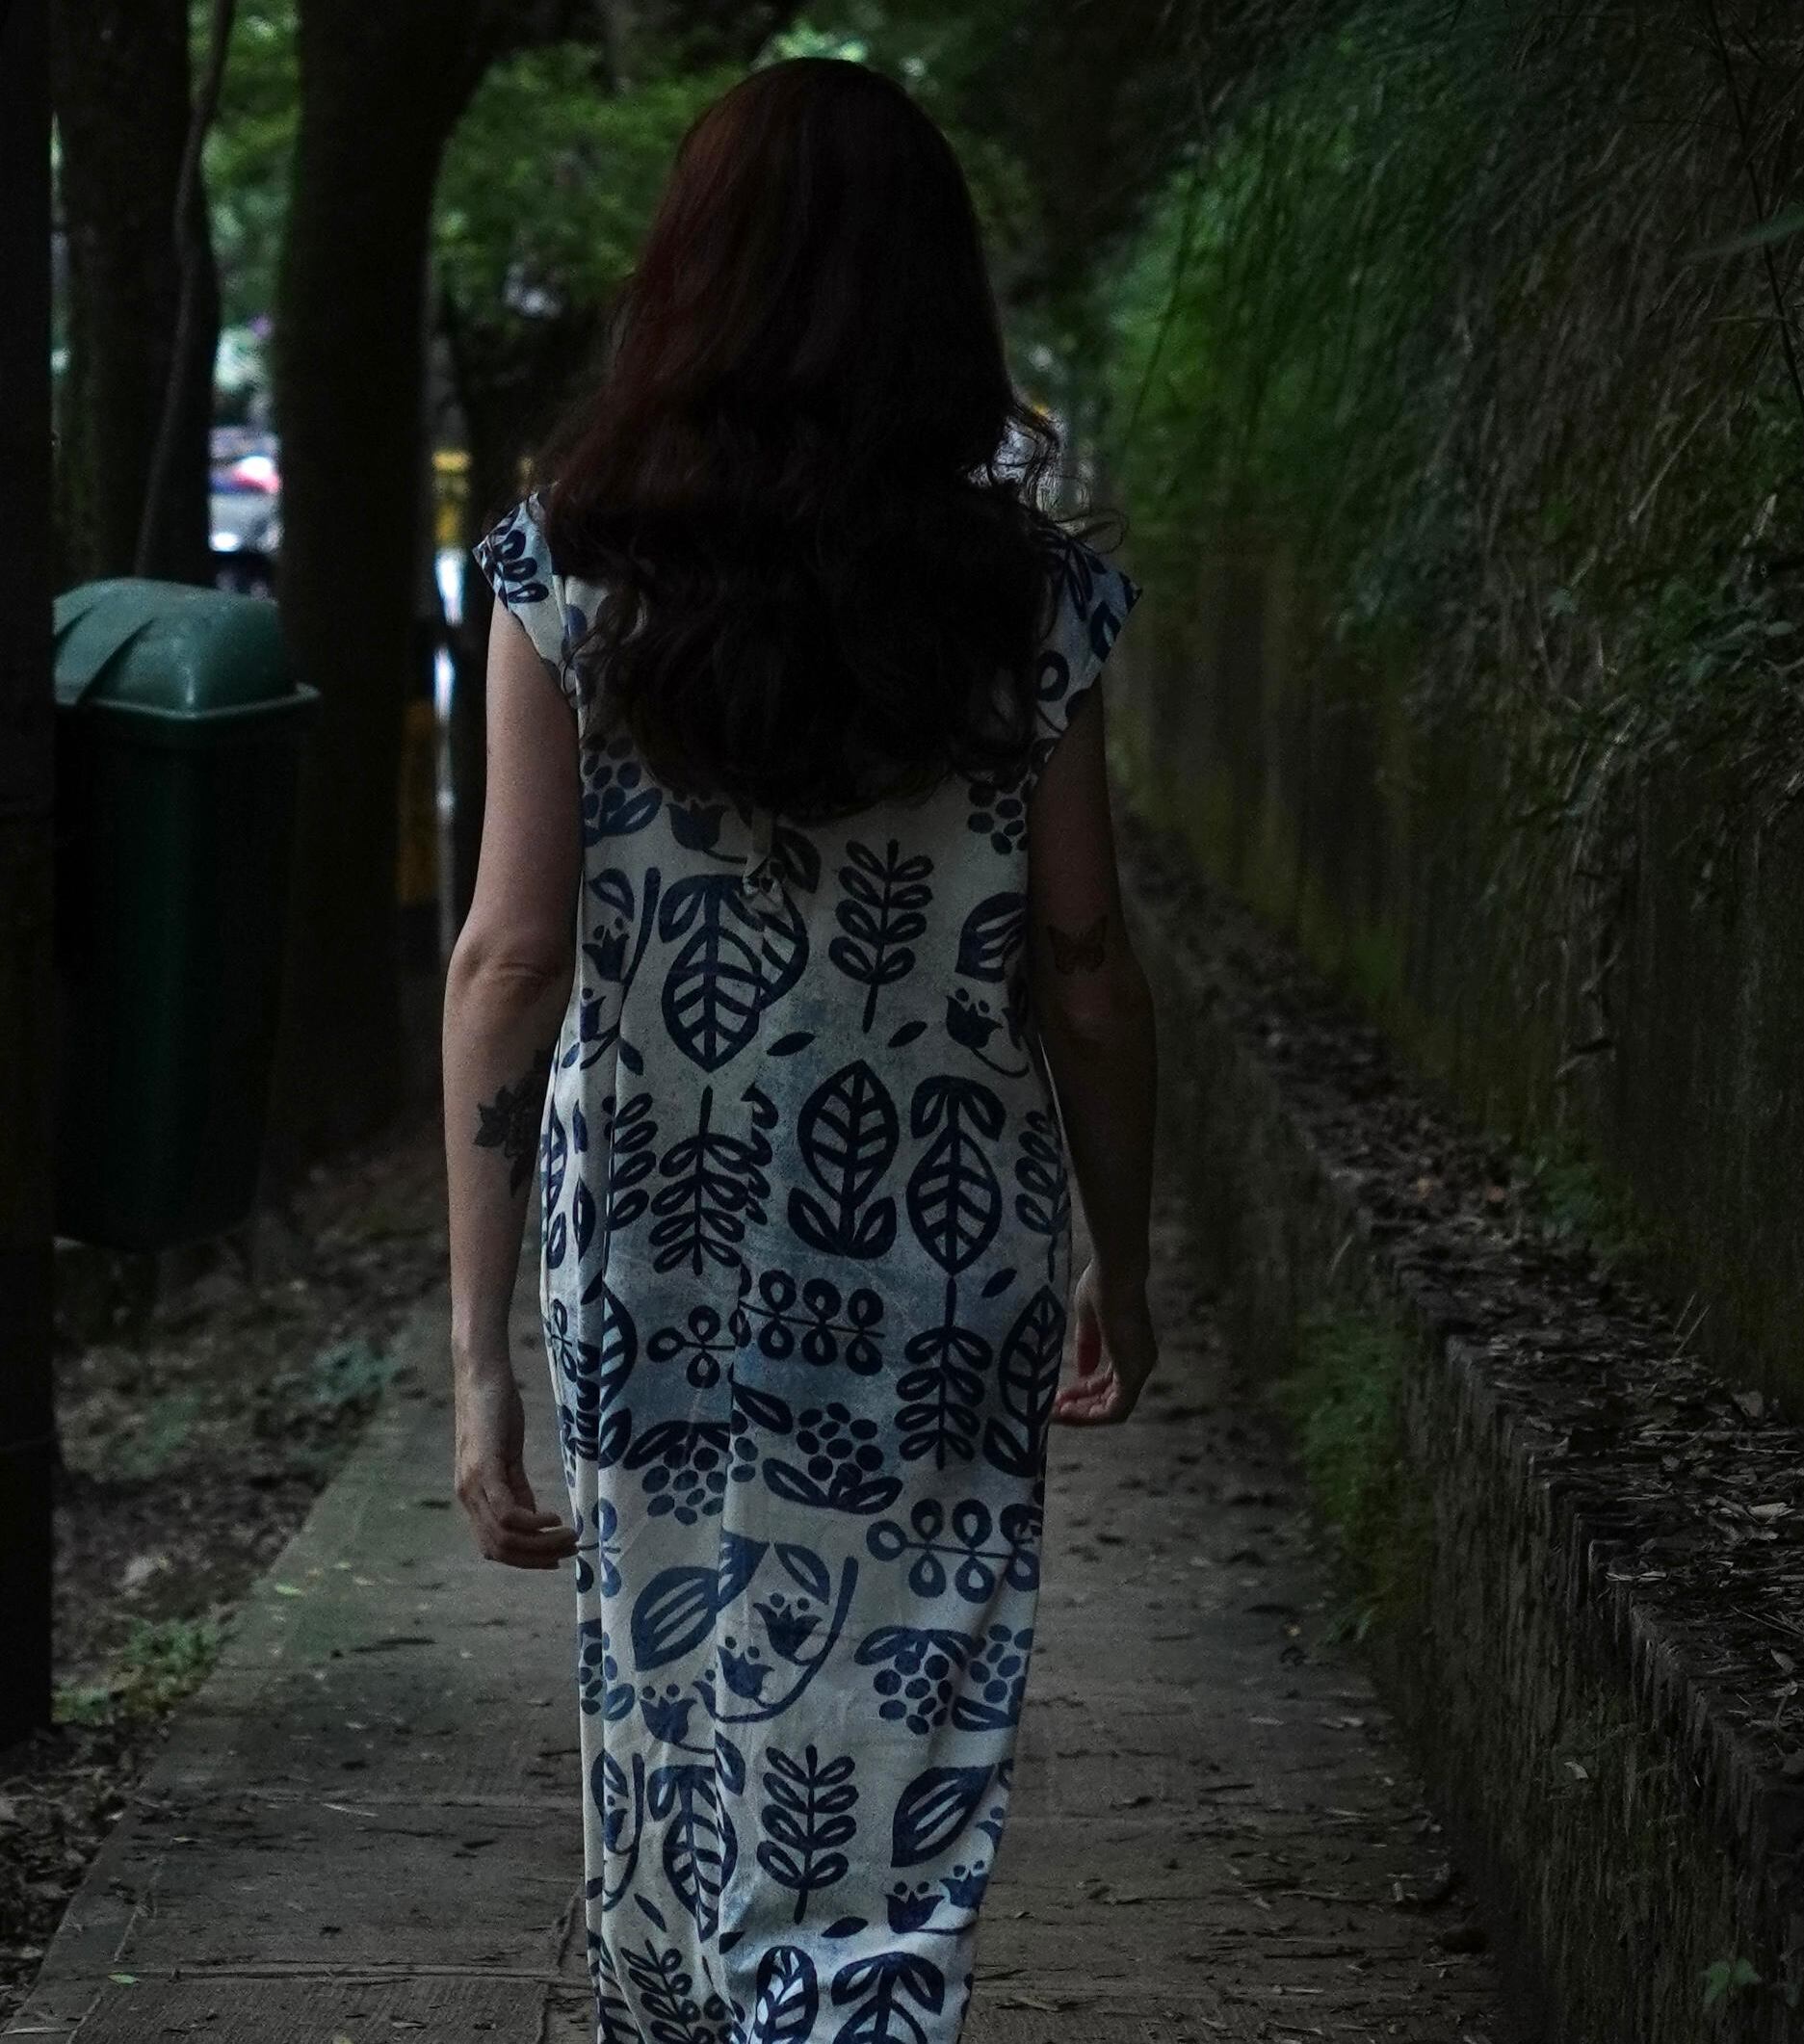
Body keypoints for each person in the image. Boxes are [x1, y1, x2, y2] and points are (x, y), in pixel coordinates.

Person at [439, 58, 1162, 2037]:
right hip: (938, 1262)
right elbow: (1084, 966)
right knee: (896, 1727)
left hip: (649, 1251)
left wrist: (473, 1350)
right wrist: (1123, 1247)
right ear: (939, 303)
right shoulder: (1036, 604)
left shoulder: (557, 575)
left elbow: (509, 954)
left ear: (683, 283)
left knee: (674, 1722)